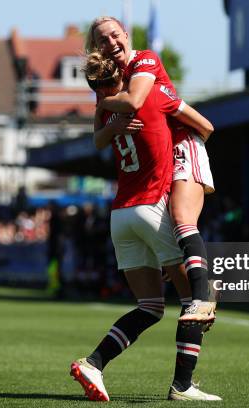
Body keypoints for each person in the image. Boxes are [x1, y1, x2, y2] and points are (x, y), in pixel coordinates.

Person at [69, 52, 220, 402]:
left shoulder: (105, 112)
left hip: (120, 216)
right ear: (125, 76)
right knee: (197, 299)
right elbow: (207, 127)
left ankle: (93, 363)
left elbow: (99, 140)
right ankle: (182, 385)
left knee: (150, 305)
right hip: (150, 208)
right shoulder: (152, 95)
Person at [86, 16, 216, 323]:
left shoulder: (144, 61)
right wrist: (106, 110)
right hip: (160, 161)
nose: (110, 43)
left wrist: (105, 106)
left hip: (183, 146)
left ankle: (202, 295)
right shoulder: (110, 81)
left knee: (183, 219)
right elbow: (99, 139)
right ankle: (198, 296)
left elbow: (135, 101)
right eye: (102, 40)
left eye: (114, 35)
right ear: (96, 47)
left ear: (126, 35)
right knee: (170, 229)